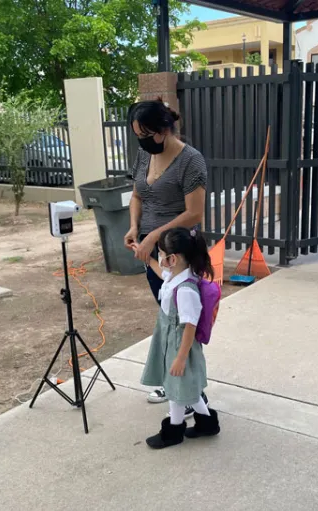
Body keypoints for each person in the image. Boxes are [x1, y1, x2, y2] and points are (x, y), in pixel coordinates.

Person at [123, 99, 209, 411]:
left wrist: (156, 237)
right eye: (137, 136)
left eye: (147, 135)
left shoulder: (191, 161)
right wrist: (135, 227)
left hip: (179, 252)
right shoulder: (145, 154)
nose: (143, 142)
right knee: (166, 317)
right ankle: (173, 382)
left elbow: (194, 212)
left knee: (182, 320)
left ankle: (190, 392)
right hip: (151, 248)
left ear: (164, 129)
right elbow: (136, 194)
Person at [139, 227, 220, 449]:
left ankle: (173, 432)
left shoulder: (185, 290)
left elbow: (190, 326)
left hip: (179, 347)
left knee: (176, 391)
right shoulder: (176, 275)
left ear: (172, 258)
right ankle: (207, 424)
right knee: (186, 389)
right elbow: (160, 273)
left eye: (161, 254)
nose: (160, 259)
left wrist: (180, 358)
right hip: (171, 343)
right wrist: (145, 257)